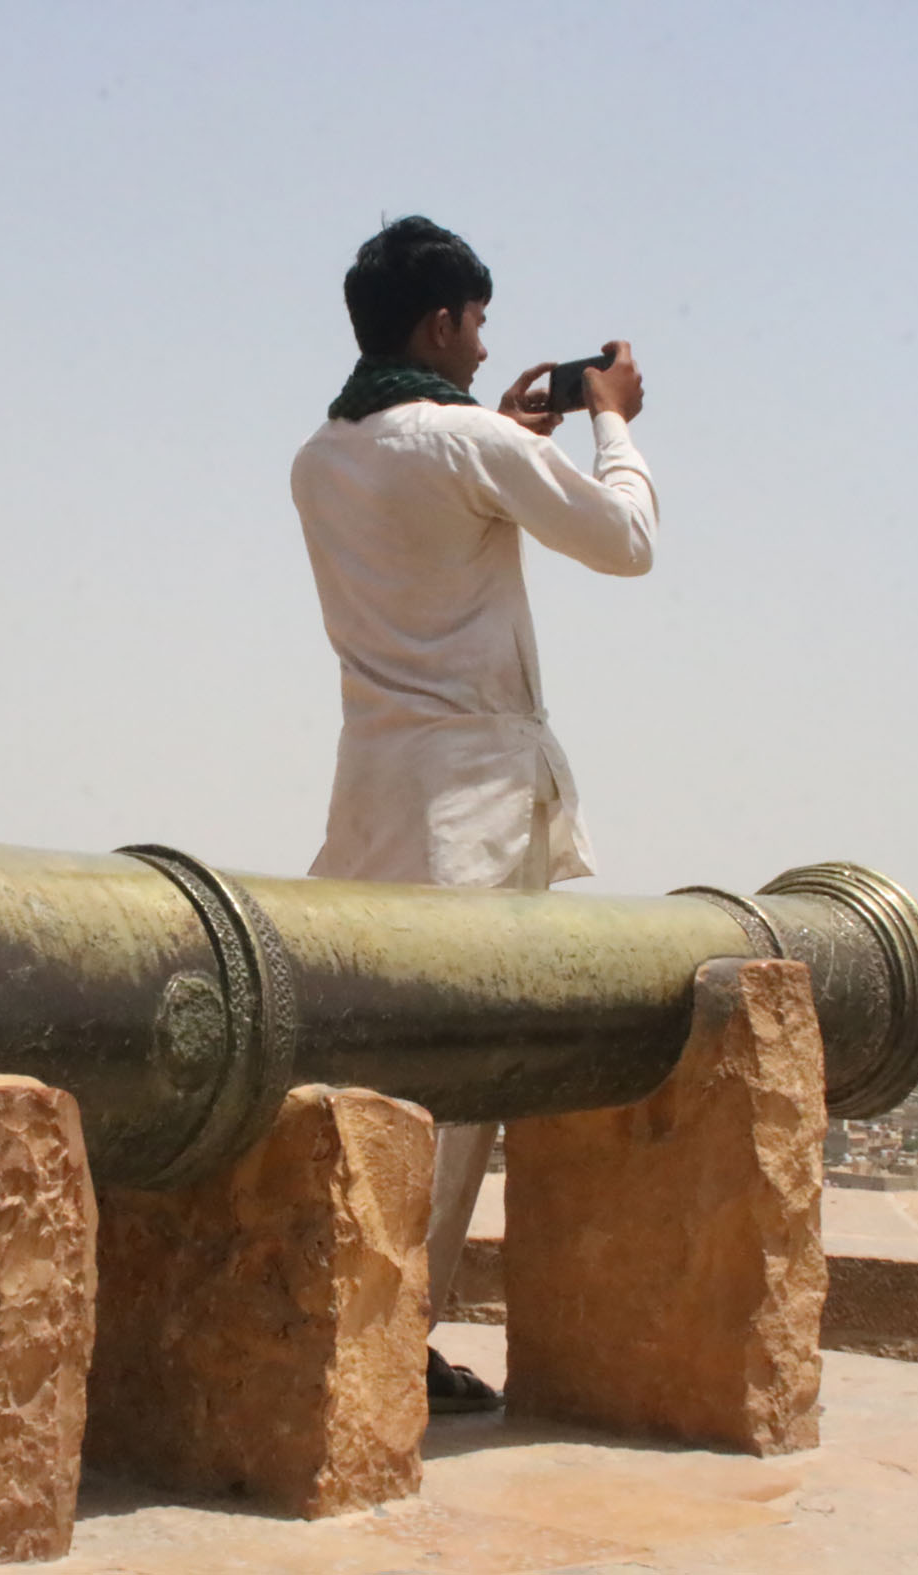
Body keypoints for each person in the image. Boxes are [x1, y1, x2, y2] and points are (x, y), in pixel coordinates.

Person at [291, 216, 656, 1410]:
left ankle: (338, 1313)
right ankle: (396, 1339)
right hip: (473, 805)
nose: (484, 343)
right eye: (477, 323)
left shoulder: (320, 458)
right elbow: (627, 542)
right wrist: (612, 423)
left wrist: (501, 437)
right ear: (441, 321)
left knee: (358, 1078)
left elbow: (426, 503)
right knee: (452, 1100)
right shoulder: (465, 444)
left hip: (372, 794)